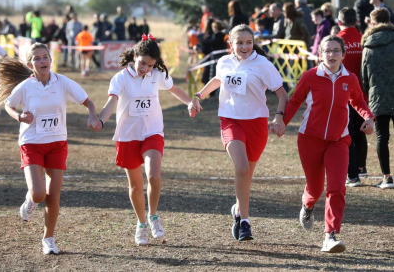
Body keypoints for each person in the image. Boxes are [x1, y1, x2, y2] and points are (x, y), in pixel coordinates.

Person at [0, 43, 98, 255]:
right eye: (37, 58)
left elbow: (89, 102)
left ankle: (48, 239)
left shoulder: (63, 82)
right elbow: (9, 105)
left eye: (45, 57)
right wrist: (19, 116)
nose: (43, 61)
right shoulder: (26, 86)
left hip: (57, 143)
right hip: (31, 143)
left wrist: (93, 116)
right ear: (31, 64)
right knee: (39, 193)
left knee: (53, 196)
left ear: (51, 59)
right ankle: (31, 201)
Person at [189, 24, 289, 241]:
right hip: (230, 120)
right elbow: (217, 80)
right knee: (242, 168)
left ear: (253, 43)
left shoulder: (262, 64)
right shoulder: (224, 62)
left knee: (247, 175)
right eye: (240, 42)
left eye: (249, 42)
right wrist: (197, 97)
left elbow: (282, 95)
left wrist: (279, 116)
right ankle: (245, 222)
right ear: (230, 44)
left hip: (257, 124)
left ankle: (237, 209)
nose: (245, 47)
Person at [91, 34, 192, 246]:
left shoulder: (157, 75)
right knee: (136, 186)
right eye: (142, 63)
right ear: (135, 56)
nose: (145, 68)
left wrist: (190, 102)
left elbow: (174, 89)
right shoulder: (121, 78)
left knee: (154, 175)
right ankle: (141, 223)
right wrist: (101, 120)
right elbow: (111, 102)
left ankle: (154, 216)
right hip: (128, 135)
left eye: (150, 65)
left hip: (152, 132)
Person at [282, 35, 374, 253]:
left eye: (336, 51)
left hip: (338, 141)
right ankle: (307, 205)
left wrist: (368, 118)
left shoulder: (349, 79)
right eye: (327, 51)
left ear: (343, 54)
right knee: (315, 188)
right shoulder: (310, 76)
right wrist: (282, 122)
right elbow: (295, 101)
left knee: (336, 187)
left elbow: (358, 101)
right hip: (310, 139)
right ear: (320, 54)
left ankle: (330, 235)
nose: (331, 55)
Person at [361, 8, 394, 189]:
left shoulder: (368, 45)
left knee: (382, 137)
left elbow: (364, 77)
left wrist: (369, 93)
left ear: (372, 23)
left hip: (377, 95)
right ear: (389, 21)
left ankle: (387, 177)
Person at [336, 7, 368, 187]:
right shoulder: (363, 39)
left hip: (343, 95)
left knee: (346, 134)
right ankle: (362, 167)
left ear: (339, 22)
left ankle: (353, 174)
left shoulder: (337, 42)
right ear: (356, 22)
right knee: (361, 131)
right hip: (362, 94)